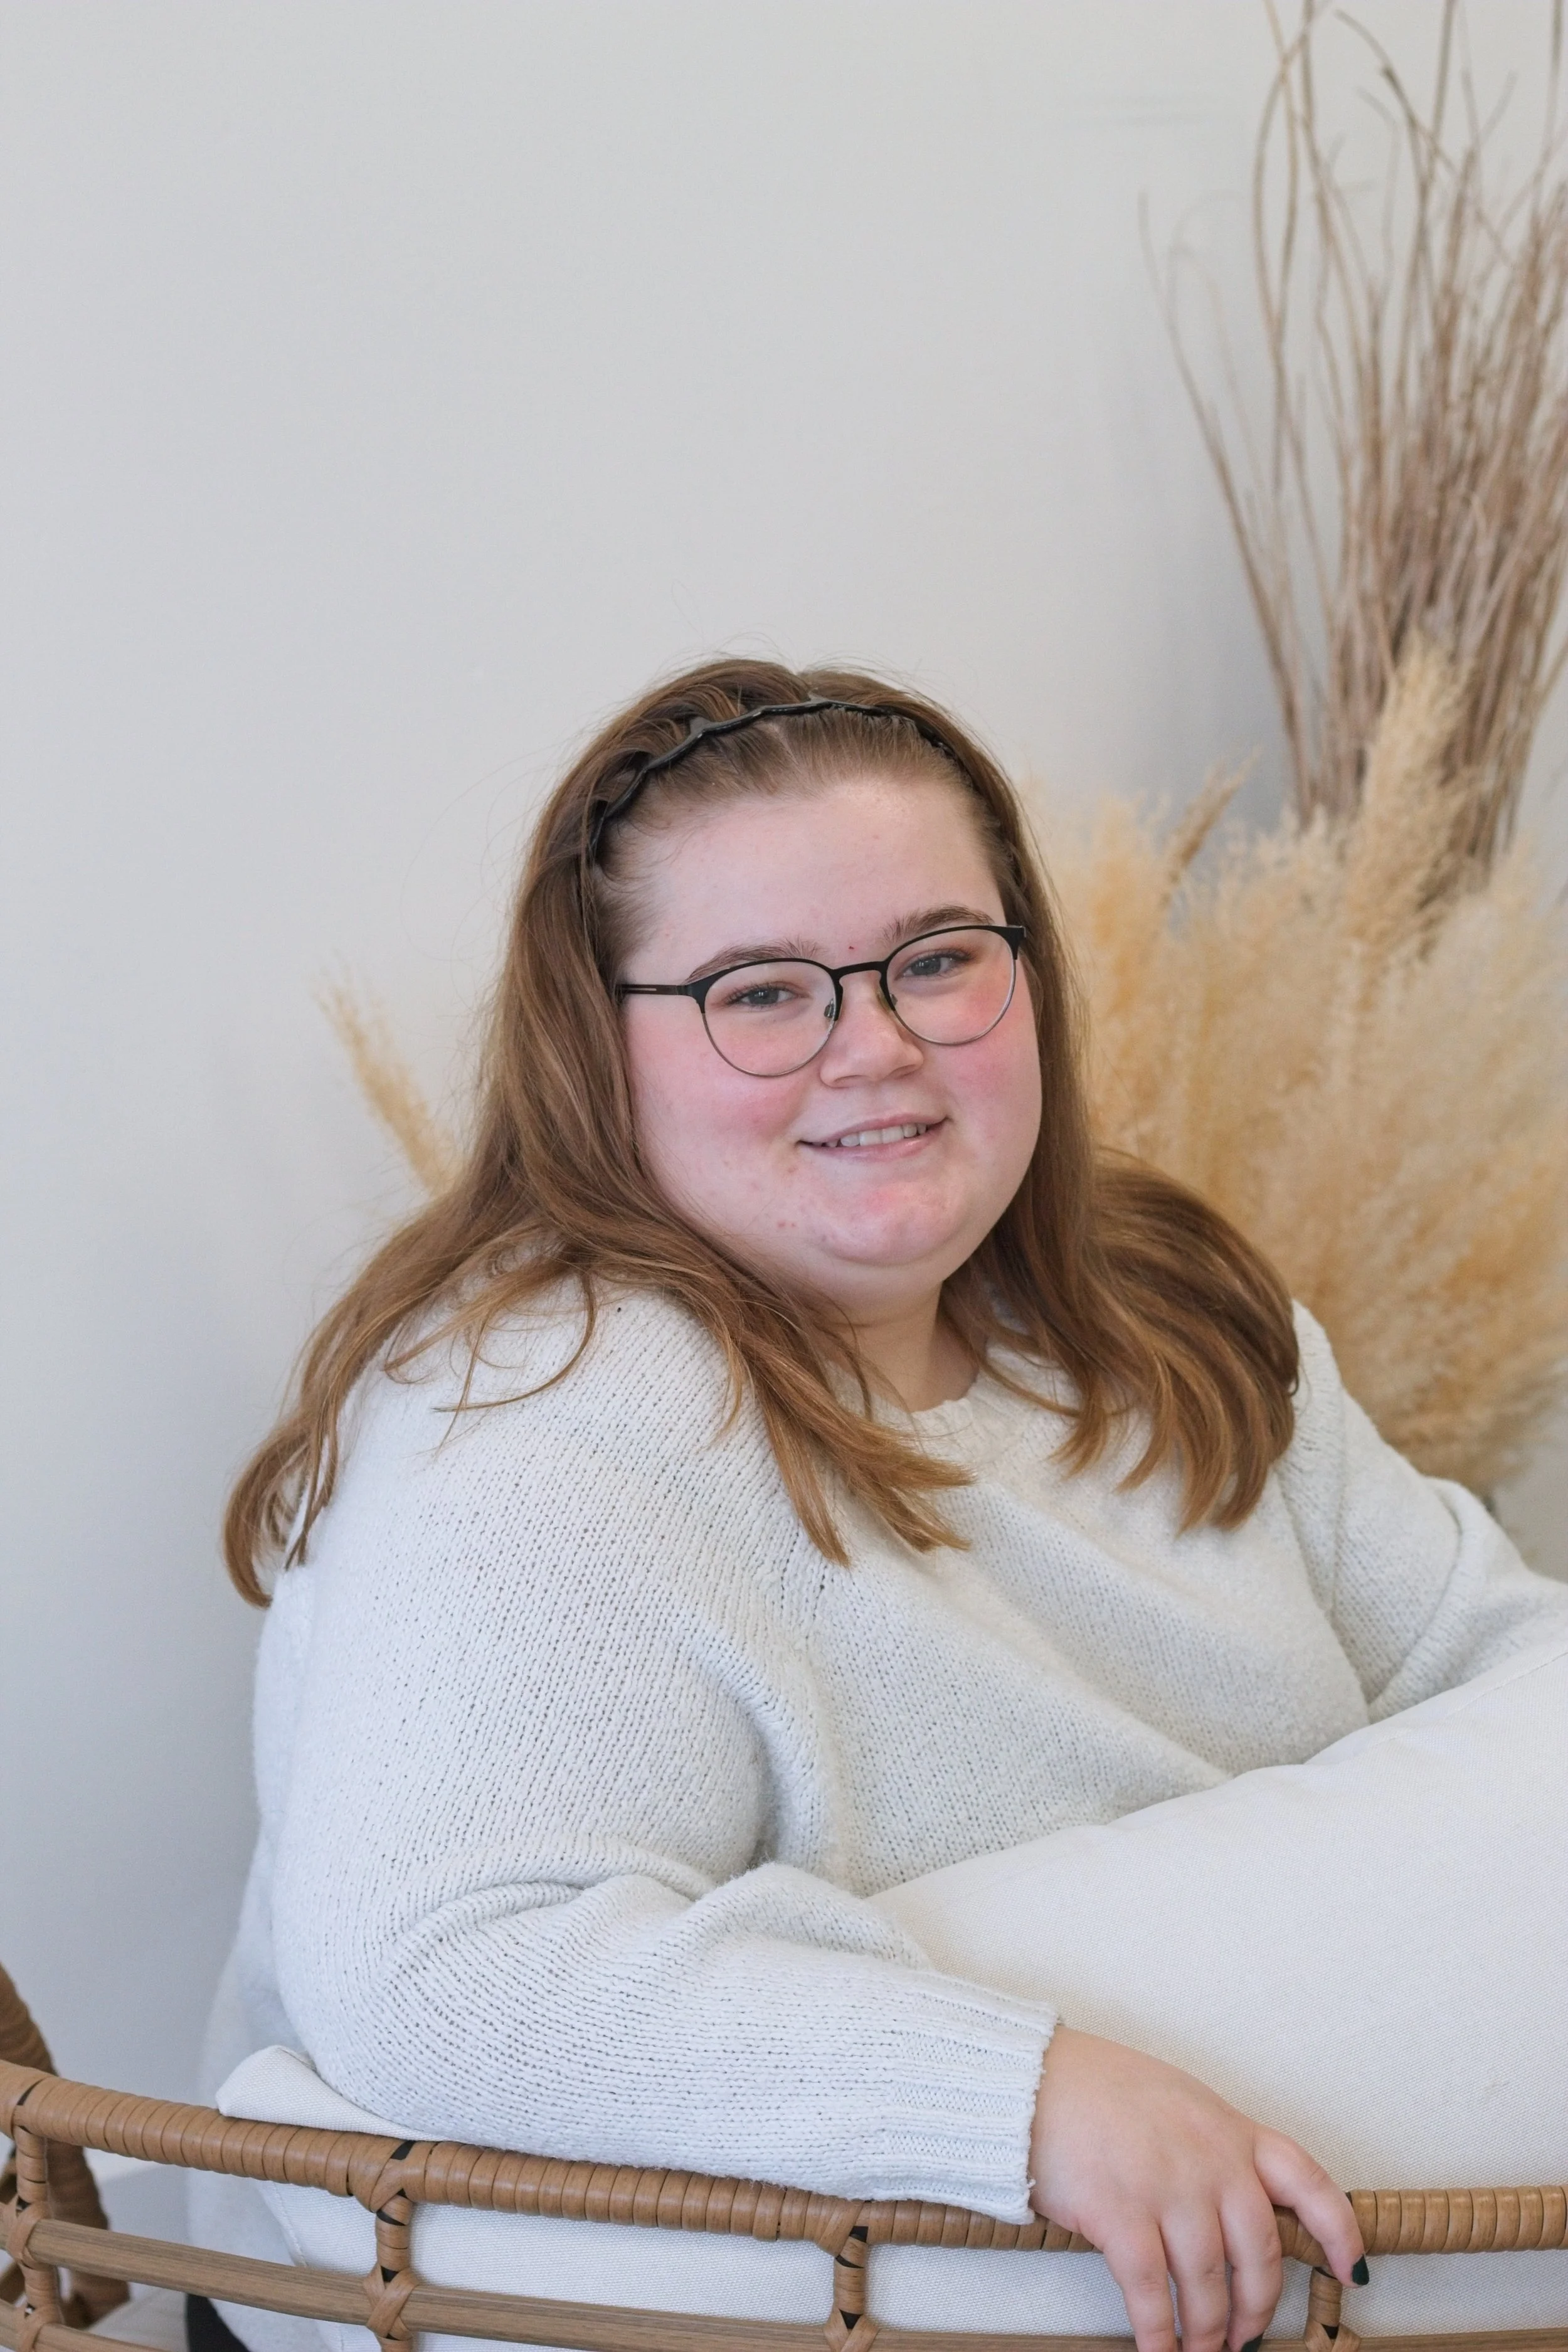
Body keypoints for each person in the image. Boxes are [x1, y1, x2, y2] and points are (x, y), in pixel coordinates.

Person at [211, 658, 1567, 2352]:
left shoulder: (1165, 1313)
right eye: (762, 993)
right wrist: (1028, 2094)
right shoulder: (537, 1415)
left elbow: (1500, 1661)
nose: (877, 1047)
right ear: (595, 1047)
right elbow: (444, 1975)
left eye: (938, 960)